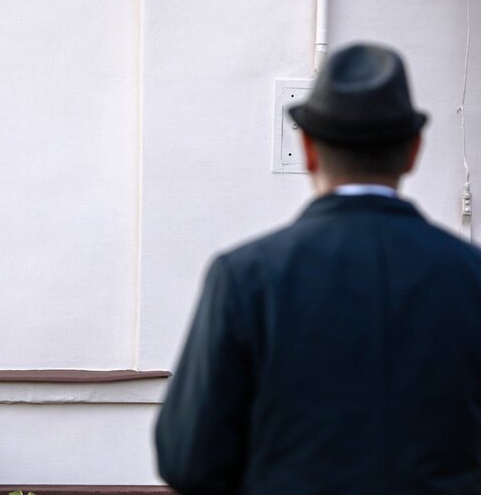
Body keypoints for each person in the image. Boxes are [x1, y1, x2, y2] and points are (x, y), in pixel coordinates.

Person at [154, 43, 481, 494]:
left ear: (307, 149)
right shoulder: (469, 275)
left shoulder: (247, 276)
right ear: (413, 151)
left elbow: (187, 458)